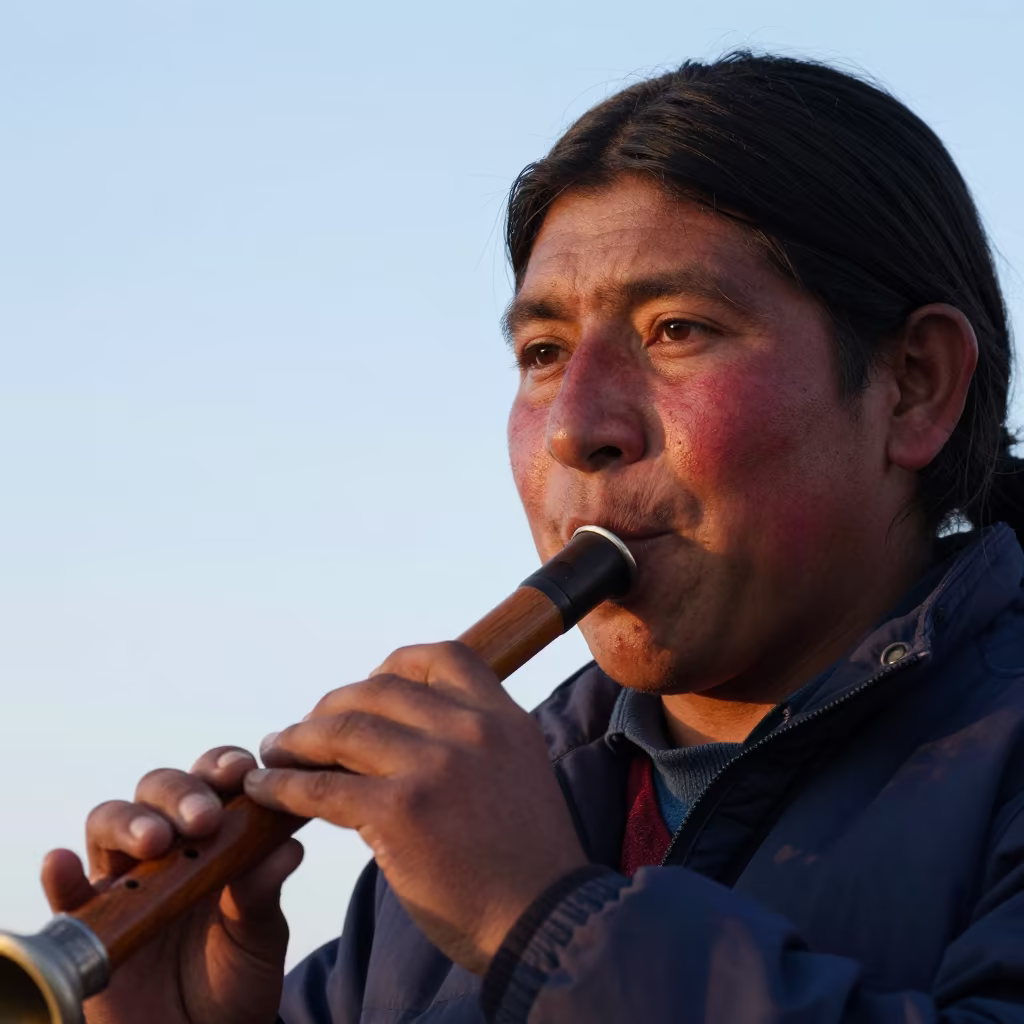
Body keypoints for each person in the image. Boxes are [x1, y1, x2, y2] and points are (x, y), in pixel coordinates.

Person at [41, 51, 1024, 1023]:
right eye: (544, 352)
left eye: (676, 329)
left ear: (913, 385)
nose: (575, 425)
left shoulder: (496, 865)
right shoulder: (477, 822)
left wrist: (544, 926)